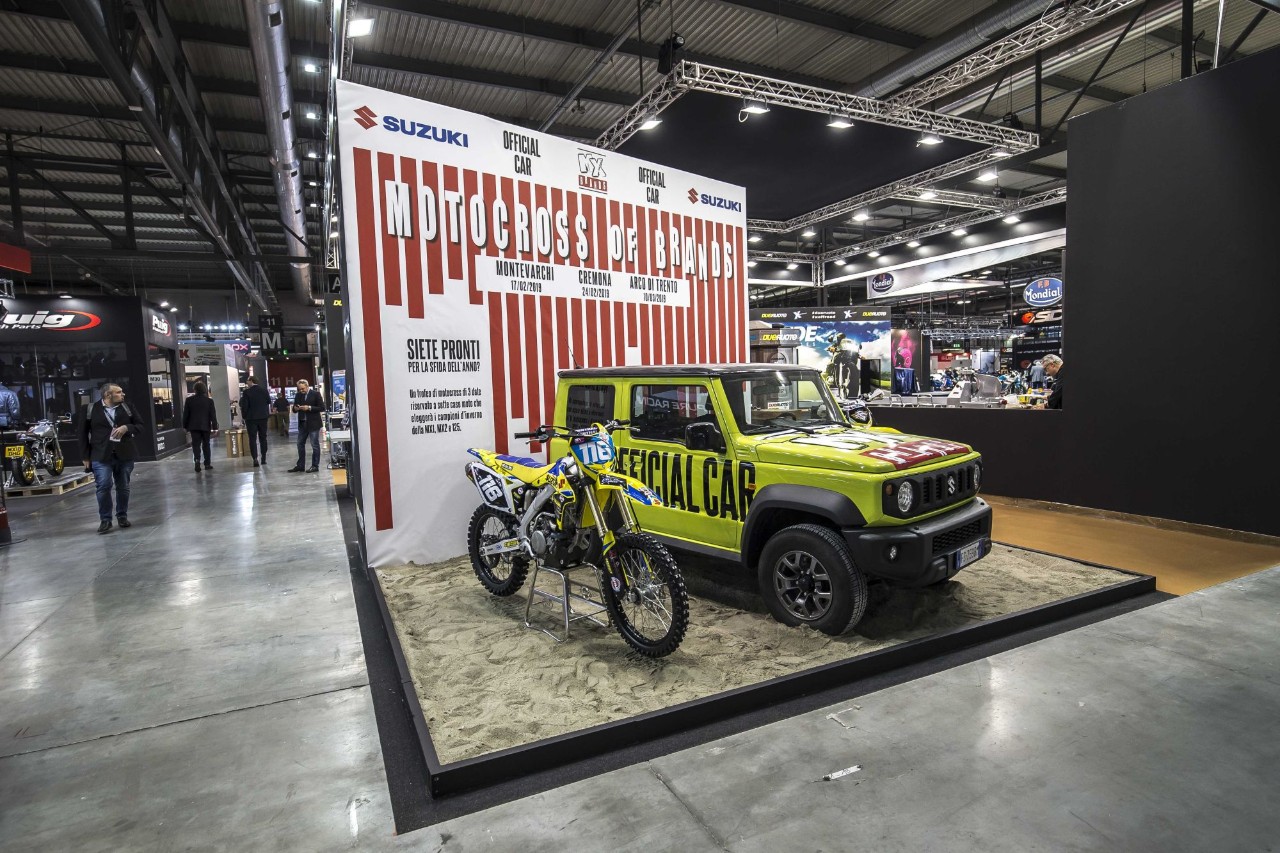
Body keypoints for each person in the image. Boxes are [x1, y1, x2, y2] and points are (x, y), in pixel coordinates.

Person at [78, 383, 144, 534]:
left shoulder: (127, 407)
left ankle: (122, 516)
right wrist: (85, 456)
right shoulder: (90, 409)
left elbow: (140, 425)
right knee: (103, 486)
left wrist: (127, 428)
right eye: (119, 392)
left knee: (123, 486)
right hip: (100, 455)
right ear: (108, 395)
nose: (123, 394)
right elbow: (82, 434)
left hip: (125, 454)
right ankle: (105, 520)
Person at [289, 379, 326, 473]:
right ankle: (300, 465)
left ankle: (315, 466)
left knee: (314, 445)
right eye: (299, 389)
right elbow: (294, 410)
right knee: (300, 444)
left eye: (303, 389)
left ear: (307, 386)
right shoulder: (298, 395)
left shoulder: (316, 394)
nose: (301, 391)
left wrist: (309, 408)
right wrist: (296, 408)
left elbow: (322, 407)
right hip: (302, 423)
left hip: (313, 423)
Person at [182, 382, 219, 473]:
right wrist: (215, 428)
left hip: (194, 427)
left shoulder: (189, 400)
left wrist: (185, 426)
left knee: (196, 444)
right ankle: (207, 464)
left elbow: (186, 415)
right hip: (205, 426)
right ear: (204, 390)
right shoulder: (209, 401)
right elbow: (213, 415)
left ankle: (197, 460)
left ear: (195, 390)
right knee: (206, 445)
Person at [240, 375, 272, 468]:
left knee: (252, 438)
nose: (247, 382)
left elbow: (245, 406)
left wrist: (244, 416)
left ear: (251, 381)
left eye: (247, 381)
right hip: (263, 417)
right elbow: (268, 402)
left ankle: (255, 459)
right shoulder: (264, 391)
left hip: (251, 418)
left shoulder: (246, 392)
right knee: (263, 438)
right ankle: (264, 458)